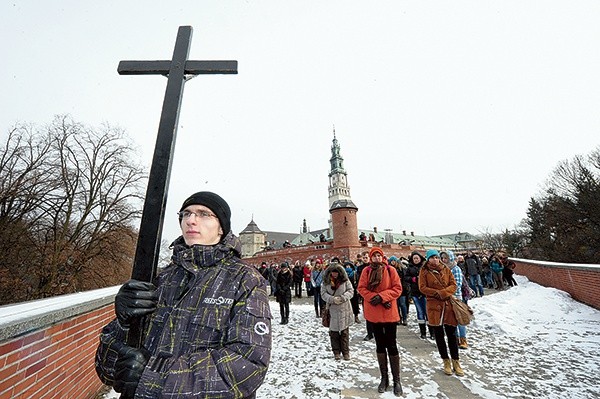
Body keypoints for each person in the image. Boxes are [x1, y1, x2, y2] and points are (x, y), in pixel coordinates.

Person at [95, 191, 272, 398]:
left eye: (203, 214)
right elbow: (107, 370)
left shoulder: (244, 279)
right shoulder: (161, 278)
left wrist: (153, 379)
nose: (191, 220)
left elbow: (248, 365)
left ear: (221, 228)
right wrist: (123, 324)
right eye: (186, 214)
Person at [357, 247, 403, 396]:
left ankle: (397, 380)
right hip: (374, 312)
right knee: (380, 345)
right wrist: (373, 298)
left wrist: (382, 297)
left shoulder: (390, 270)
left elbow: (397, 288)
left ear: (382, 256)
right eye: (374, 256)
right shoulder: (366, 271)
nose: (377, 258)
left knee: (392, 344)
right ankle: (384, 378)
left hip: (389, 312)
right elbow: (361, 288)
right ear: (371, 258)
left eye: (379, 255)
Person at [419, 249, 464, 377]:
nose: (435, 260)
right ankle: (446, 361)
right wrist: (436, 293)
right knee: (439, 335)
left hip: (448, 305)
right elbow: (422, 287)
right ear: (428, 259)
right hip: (434, 306)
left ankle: (456, 361)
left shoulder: (445, 269)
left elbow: (453, 284)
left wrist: (443, 293)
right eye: (432, 258)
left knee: (452, 334)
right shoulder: (424, 271)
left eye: (437, 257)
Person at [321, 259, 355, 360]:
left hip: (344, 308)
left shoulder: (345, 281)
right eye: (333, 272)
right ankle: (336, 351)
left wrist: (342, 298)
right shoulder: (326, 282)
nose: (334, 274)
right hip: (332, 308)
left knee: (344, 332)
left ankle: (345, 352)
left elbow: (351, 291)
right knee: (334, 332)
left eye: (336, 272)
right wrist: (332, 299)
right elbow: (323, 294)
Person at [442, 251, 468, 350]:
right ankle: (455, 339)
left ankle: (463, 339)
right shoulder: (443, 269)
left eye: (446, 258)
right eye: (443, 258)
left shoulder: (455, 269)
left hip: (456, 297)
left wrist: (447, 292)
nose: (444, 260)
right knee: (451, 320)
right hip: (446, 297)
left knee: (459, 319)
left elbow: (457, 284)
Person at [405, 251, 432, 339]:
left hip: (425, 292)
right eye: (414, 258)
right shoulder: (409, 267)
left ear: (420, 258)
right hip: (415, 292)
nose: (416, 260)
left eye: (417, 258)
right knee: (420, 312)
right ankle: (423, 332)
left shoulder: (425, 267)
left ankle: (432, 332)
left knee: (428, 312)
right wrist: (413, 279)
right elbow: (406, 277)